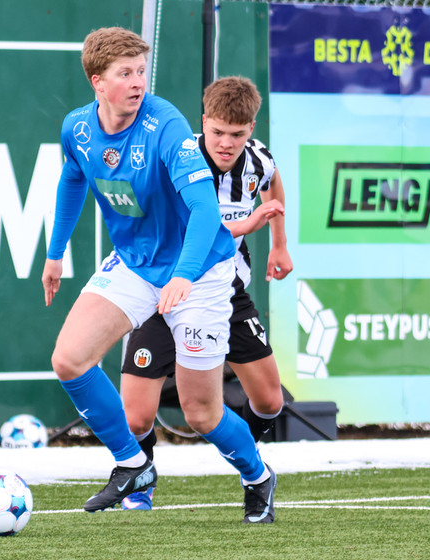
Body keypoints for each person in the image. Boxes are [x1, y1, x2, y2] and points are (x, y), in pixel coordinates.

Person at [42, 28, 277, 523]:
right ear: (97, 82)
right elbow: (73, 178)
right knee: (69, 359)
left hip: (201, 271)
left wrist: (184, 276)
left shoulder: (165, 123)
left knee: (201, 413)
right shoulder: (77, 127)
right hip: (135, 262)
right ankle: (133, 464)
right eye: (124, 73)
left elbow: (205, 211)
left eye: (141, 71)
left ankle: (258, 476)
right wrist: (55, 254)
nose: (137, 82)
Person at [120, 76, 293, 520]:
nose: (226, 143)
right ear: (202, 123)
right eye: (217, 132)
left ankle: (248, 464)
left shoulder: (258, 159)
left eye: (237, 134)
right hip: (167, 287)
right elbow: (193, 232)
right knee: (135, 417)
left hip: (224, 292)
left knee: (270, 401)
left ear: (251, 129)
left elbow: (273, 186)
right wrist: (248, 225)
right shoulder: (178, 159)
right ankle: (141, 483)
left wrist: (279, 245)